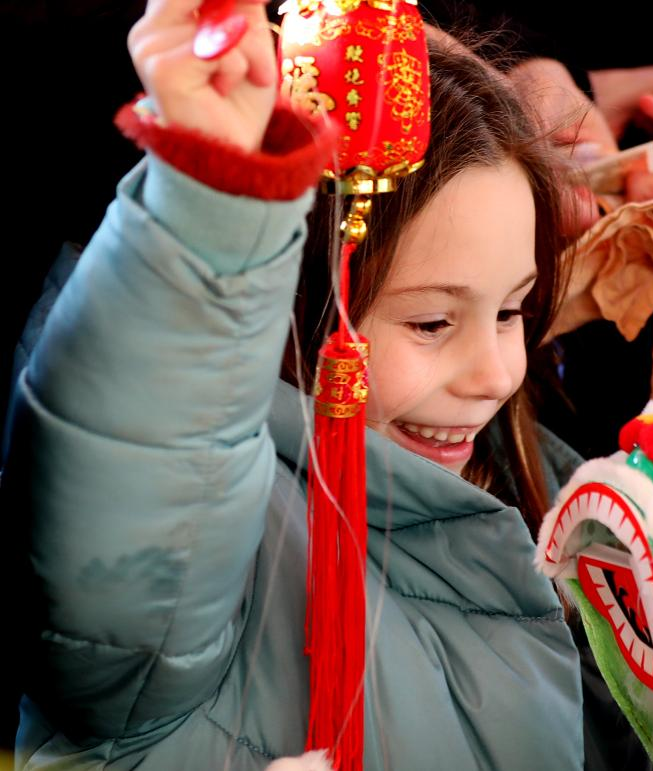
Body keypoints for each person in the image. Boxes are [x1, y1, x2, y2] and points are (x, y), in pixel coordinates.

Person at [4, 1, 588, 767]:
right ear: (289, 302)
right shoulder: (205, 559)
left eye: (511, 309)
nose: (495, 375)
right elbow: (156, 449)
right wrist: (213, 206)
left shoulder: (556, 494)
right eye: (431, 323)